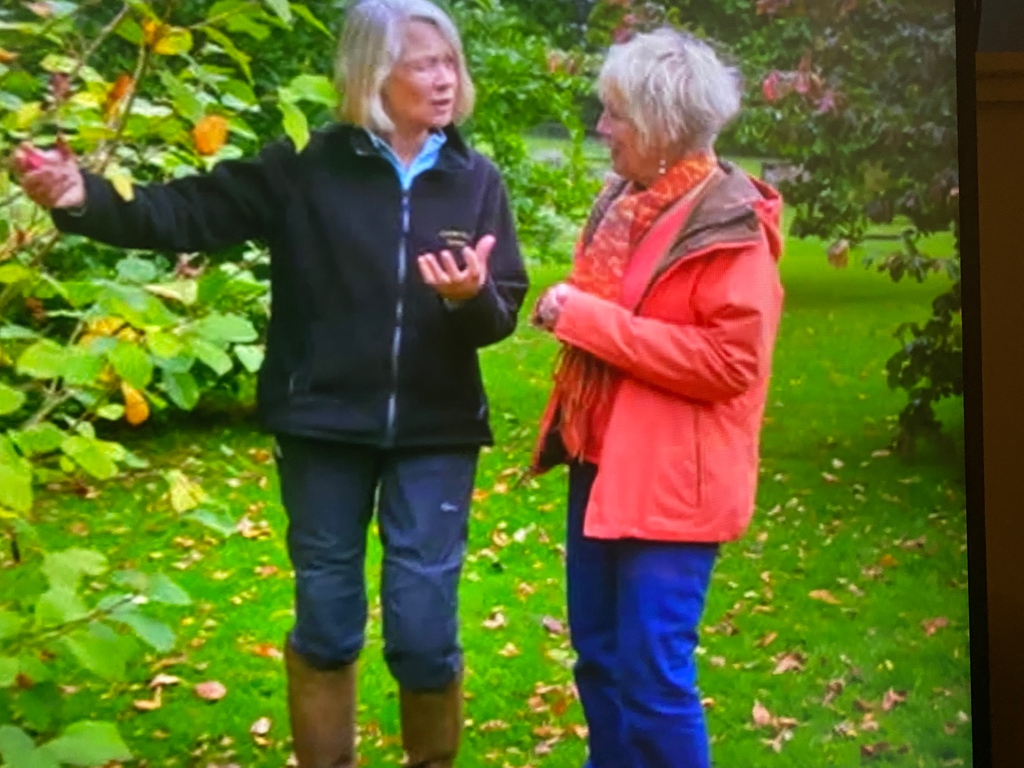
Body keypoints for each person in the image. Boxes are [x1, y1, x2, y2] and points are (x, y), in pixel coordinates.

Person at [12, 1, 528, 766]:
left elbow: (500, 311)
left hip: (436, 429)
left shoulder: (475, 179)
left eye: (450, 61)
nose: (445, 78)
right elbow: (185, 212)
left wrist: (469, 298)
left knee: (424, 633)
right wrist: (83, 197)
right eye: (425, 63)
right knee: (326, 625)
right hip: (322, 426)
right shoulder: (305, 167)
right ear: (373, 74)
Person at [529, 27, 785, 768]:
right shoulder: (627, 202)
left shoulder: (729, 228)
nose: (602, 128)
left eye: (615, 114)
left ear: (663, 126)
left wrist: (586, 319)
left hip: (674, 483)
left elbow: (730, 361)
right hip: (601, 463)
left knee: (652, 676)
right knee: (600, 660)